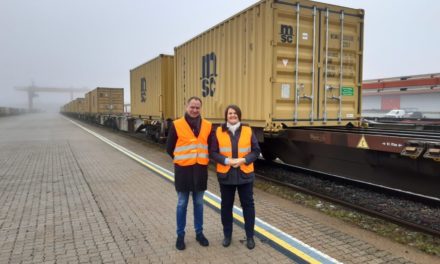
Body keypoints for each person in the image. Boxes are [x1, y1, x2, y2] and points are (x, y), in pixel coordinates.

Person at [210, 104, 261, 250]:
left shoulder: (248, 130)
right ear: (226, 116)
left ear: (239, 115)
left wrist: (243, 160)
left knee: (248, 206)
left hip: (245, 175)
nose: (232, 115)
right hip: (226, 175)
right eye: (229, 113)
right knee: (226, 206)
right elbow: (213, 152)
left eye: (235, 113)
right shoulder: (218, 131)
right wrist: (227, 161)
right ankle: (227, 235)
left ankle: (250, 237)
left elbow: (256, 151)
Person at [166, 96, 212, 251]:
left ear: (201, 108)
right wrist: (180, 160)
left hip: (200, 171)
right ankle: (180, 235)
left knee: (199, 204)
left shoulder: (207, 125)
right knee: (182, 203)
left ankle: (199, 233)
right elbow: (169, 147)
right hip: (183, 171)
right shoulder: (177, 124)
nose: (194, 110)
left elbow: (211, 147)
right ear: (186, 107)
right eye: (192, 107)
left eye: (197, 107)